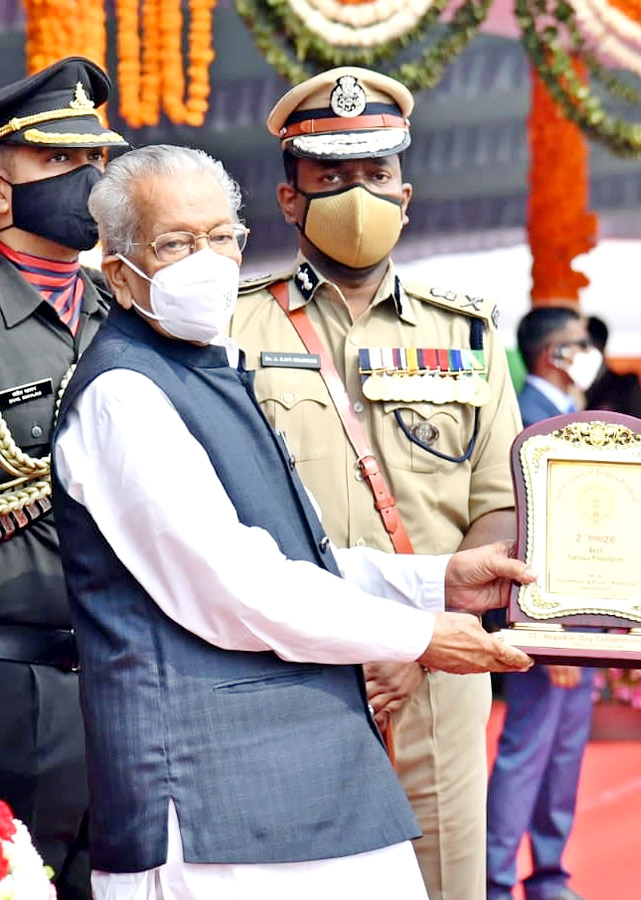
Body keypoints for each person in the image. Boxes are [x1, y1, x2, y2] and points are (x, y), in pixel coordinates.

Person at [51, 144, 535, 900]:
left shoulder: (210, 365)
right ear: (120, 272)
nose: (205, 260)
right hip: (209, 800)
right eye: (175, 243)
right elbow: (237, 587)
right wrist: (416, 634)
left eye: (219, 237)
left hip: (307, 777)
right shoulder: (125, 394)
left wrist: (439, 580)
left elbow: (301, 557)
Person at [230, 68, 523, 900]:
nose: (357, 195)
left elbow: (500, 505)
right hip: (285, 667)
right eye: (330, 179)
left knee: (442, 881)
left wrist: (416, 638)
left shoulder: (466, 332)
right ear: (290, 201)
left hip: (434, 672)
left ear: (406, 193)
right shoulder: (233, 326)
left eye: (375, 176)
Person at [0, 56, 127, 900]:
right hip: (16, 689)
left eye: (94, 163)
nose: (83, 182)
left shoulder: (128, 314)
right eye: (56, 162)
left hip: (127, 680)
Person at [485, 305, 597, 900]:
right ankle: (496, 883)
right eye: (582, 343)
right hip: (546, 623)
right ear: (554, 354)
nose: (590, 352)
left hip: (586, 626)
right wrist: (555, 633)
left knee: (563, 759)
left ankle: (550, 875)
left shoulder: (574, 418)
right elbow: (534, 539)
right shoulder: (526, 422)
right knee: (527, 755)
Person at [584, 315, 641, 419]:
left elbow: (640, 426)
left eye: (582, 344)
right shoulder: (568, 386)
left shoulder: (625, 385)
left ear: (598, 345)